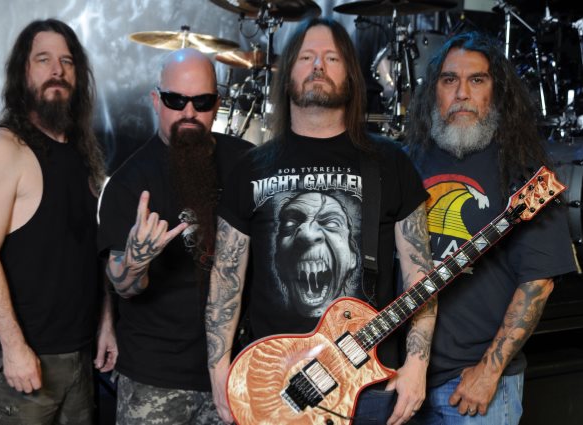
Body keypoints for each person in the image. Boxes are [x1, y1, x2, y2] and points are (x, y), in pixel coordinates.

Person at [205, 17, 437, 425]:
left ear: (350, 74)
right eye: (307, 57)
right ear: (287, 75)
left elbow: (421, 275)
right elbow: (226, 279)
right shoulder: (251, 168)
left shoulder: (390, 163)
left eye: (332, 58)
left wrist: (416, 366)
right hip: (272, 388)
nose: (318, 66)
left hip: (367, 387)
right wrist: (219, 369)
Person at [405, 31, 577, 424]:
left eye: (477, 80)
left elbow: (538, 282)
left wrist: (488, 371)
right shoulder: (410, 161)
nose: (462, 93)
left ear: (496, 92)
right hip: (403, 379)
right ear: (433, 91)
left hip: (472, 387)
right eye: (449, 80)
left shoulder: (521, 168)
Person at [0, 18, 117, 424]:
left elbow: (90, 250)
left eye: (67, 61)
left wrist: (105, 323)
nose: (57, 70)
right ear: (23, 71)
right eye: (43, 59)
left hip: (77, 358)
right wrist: (14, 347)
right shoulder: (3, 147)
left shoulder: (83, 152)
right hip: (17, 362)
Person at [97, 48, 253, 425]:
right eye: (175, 100)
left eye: (202, 101)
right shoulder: (129, 183)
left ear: (217, 105)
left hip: (237, 372)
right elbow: (124, 286)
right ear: (156, 101)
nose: (189, 112)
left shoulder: (248, 164)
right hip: (155, 378)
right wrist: (136, 260)